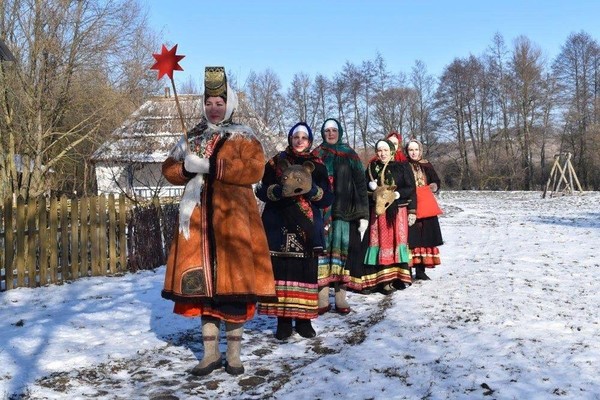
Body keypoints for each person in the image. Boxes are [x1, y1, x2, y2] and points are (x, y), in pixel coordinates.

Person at [161, 67, 276, 376]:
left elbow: (254, 169)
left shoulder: (243, 136)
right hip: (197, 227)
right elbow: (169, 169)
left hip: (233, 225)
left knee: (233, 289)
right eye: (210, 103)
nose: (214, 108)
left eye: (220, 103)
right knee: (205, 293)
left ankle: (234, 355)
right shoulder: (192, 136)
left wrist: (213, 166)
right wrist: (186, 168)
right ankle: (210, 354)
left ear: (230, 104)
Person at [256, 122, 334, 340]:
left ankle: (303, 320)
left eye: (304, 137)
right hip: (278, 224)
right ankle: (283, 321)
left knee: (304, 272)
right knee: (281, 273)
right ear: (290, 139)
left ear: (309, 141)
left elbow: (328, 198)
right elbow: (261, 191)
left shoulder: (317, 166)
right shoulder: (275, 162)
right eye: (296, 137)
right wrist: (278, 191)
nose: (300, 141)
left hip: (306, 229)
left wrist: (312, 191)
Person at [312, 118, 369, 315]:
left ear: (340, 132)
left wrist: (363, 214)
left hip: (344, 211)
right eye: (326, 130)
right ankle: (321, 296)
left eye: (334, 130)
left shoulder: (350, 155)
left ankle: (340, 297)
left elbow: (361, 185)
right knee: (322, 252)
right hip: (321, 211)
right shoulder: (316, 154)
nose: (330, 133)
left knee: (341, 251)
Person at [362, 139, 416, 294]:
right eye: (379, 150)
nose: (382, 153)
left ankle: (394, 278)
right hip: (378, 212)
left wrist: (398, 194)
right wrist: (371, 189)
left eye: (385, 150)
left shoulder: (402, 167)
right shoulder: (372, 168)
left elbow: (410, 187)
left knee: (394, 243)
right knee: (378, 243)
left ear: (392, 151)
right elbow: (364, 188)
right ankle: (377, 279)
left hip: (397, 211)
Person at [405, 138, 444, 280]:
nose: (414, 153)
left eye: (416, 150)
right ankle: (407, 270)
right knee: (411, 238)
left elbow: (436, 180)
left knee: (424, 238)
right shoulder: (404, 165)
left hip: (425, 203)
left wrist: (434, 186)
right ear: (407, 151)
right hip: (410, 204)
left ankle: (420, 270)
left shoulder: (426, 165)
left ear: (420, 150)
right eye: (411, 150)